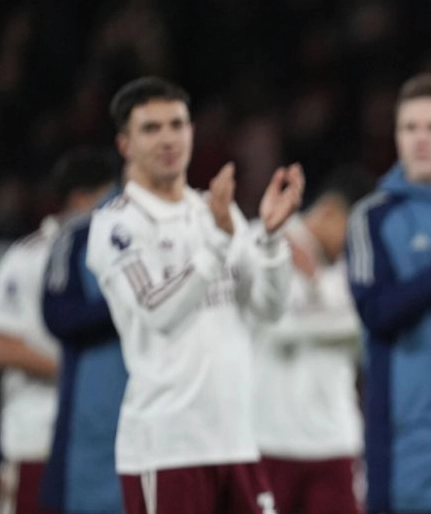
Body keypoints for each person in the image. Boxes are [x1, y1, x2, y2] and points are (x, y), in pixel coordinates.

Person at [85, 77, 303, 514]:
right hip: (167, 447)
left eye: (177, 124)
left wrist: (273, 241)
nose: (168, 138)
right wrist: (218, 242)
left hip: (237, 440)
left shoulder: (216, 210)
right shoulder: (117, 225)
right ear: (125, 144)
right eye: (151, 128)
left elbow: (269, 308)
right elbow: (159, 311)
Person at [345, 73, 431, 514]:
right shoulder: (374, 216)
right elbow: (377, 312)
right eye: (409, 128)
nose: (420, 139)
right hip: (410, 433)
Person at [0, 149, 117, 514]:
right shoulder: (28, 257)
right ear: (82, 198)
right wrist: (80, 376)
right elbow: (4, 345)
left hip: (103, 439)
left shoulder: (116, 251)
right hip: (38, 435)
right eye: (111, 195)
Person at [253, 172, 371, 514]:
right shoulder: (266, 242)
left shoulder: (350, 264)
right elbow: (277, 326)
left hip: (336, 439)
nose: (354, 243)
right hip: (270, 436)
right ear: (332, 211)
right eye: (352, 230)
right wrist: (346, 316)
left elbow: (366, 332)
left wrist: (320, 299)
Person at [41, 161, 129, 514]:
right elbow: (60, 314)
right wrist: (133, 301)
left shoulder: (193, 222)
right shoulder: (80, 232)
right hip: (95, 421)